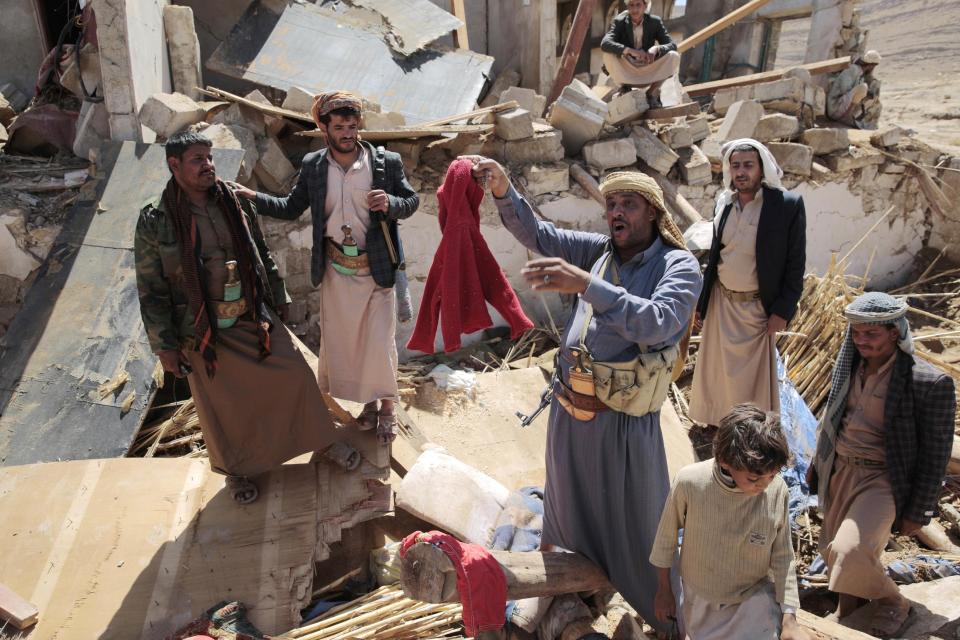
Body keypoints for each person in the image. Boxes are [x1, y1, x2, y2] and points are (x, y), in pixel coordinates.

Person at [467, 155, 702, 633]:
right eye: (610, 204)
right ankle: (562, 593)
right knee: (563, 510)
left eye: (628, 204)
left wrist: (588, 286)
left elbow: (657, 322)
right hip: (571, 412)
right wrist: (502, 187)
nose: (616, 212)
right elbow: (541, 236)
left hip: (623, 423)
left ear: (653, 212)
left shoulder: (677, 265)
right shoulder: (598, 251)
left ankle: (666, 614)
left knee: (636, 524)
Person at [134, 131, 360, 505]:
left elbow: (260, 253)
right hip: (201, 328)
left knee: (294, 374)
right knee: (225, 407)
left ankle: (322, 442)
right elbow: (150, 287)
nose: (208, 165)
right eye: (197, 159)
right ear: (174, 165)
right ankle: (237, 473)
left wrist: (280, 295)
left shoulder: (232, 201)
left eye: (209, 157)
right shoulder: (156, 220)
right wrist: (165, 347)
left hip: (251, 314)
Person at [234, 91, 419, 444]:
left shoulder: (385, 164)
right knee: (350, 345)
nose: (348, 132)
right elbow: (291, 207)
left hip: (377, 268)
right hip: (337, 271)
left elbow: (411, 201)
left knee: (379, 343)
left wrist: (392, 203)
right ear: (323, 127)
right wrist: (252, 197)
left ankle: (387, 410)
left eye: (352, 125)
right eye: (339, 126)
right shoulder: (315, 166)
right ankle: (368, 406)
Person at [809, 292, 955, 637]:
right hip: (840, 469)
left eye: (871, 334)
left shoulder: (928, 382)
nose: (862, 341)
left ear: (895, 332)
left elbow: (935, 456)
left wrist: (918, 512)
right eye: (857, 333)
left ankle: (893, 602)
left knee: (852, 549)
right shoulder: (849, 367)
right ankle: (848, 612)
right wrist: (819, 465)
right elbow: (833, 420)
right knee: (833, 551)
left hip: (883, 478)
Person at [650, 404, 811, 640]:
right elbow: (665, 540)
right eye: (754, 478)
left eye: (772, 475)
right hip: (701, 601)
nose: (764, 485)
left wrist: (790, 617)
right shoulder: (691, 483)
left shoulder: (777, 491)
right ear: (725, 461)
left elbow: (783, 556)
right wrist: (664, 591)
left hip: (752, 601)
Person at [688, 139, 806, 433]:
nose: (741, 172)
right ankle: (718, 422)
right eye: (735, 165)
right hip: (721, 301)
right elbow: (715, 257)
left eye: (748, 165)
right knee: (717, 371)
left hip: (756, 306)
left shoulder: (785, 206)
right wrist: (701, 304)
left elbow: (795, 264)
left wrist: (783, 309)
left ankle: (748, 430)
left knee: (748, 378)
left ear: (761, 168)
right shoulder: (724, 203)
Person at [600, 0, 681, 108]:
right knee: (608, 55)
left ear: (645, 6)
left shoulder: (654, 22)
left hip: (648, 65)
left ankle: (651, 93)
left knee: (673, 56)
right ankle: (625, 87)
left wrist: (656, 48)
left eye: (638, 5)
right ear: (627, 7)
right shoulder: (620, 21)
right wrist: (630, 50)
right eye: (631, 5)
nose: (635, 9)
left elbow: (672, 45)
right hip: (628, 66)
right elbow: (605, 43)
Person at [827, 50, 882, 129]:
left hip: (842, 107)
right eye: (874, 66)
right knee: (863, 88)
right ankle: (848, 117)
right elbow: (844, 88)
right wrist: (862, 93)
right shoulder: (853, 69)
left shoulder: (860, 74)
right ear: (871, 65)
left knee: (874, 102)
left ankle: (855, 118)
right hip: (835, 108)